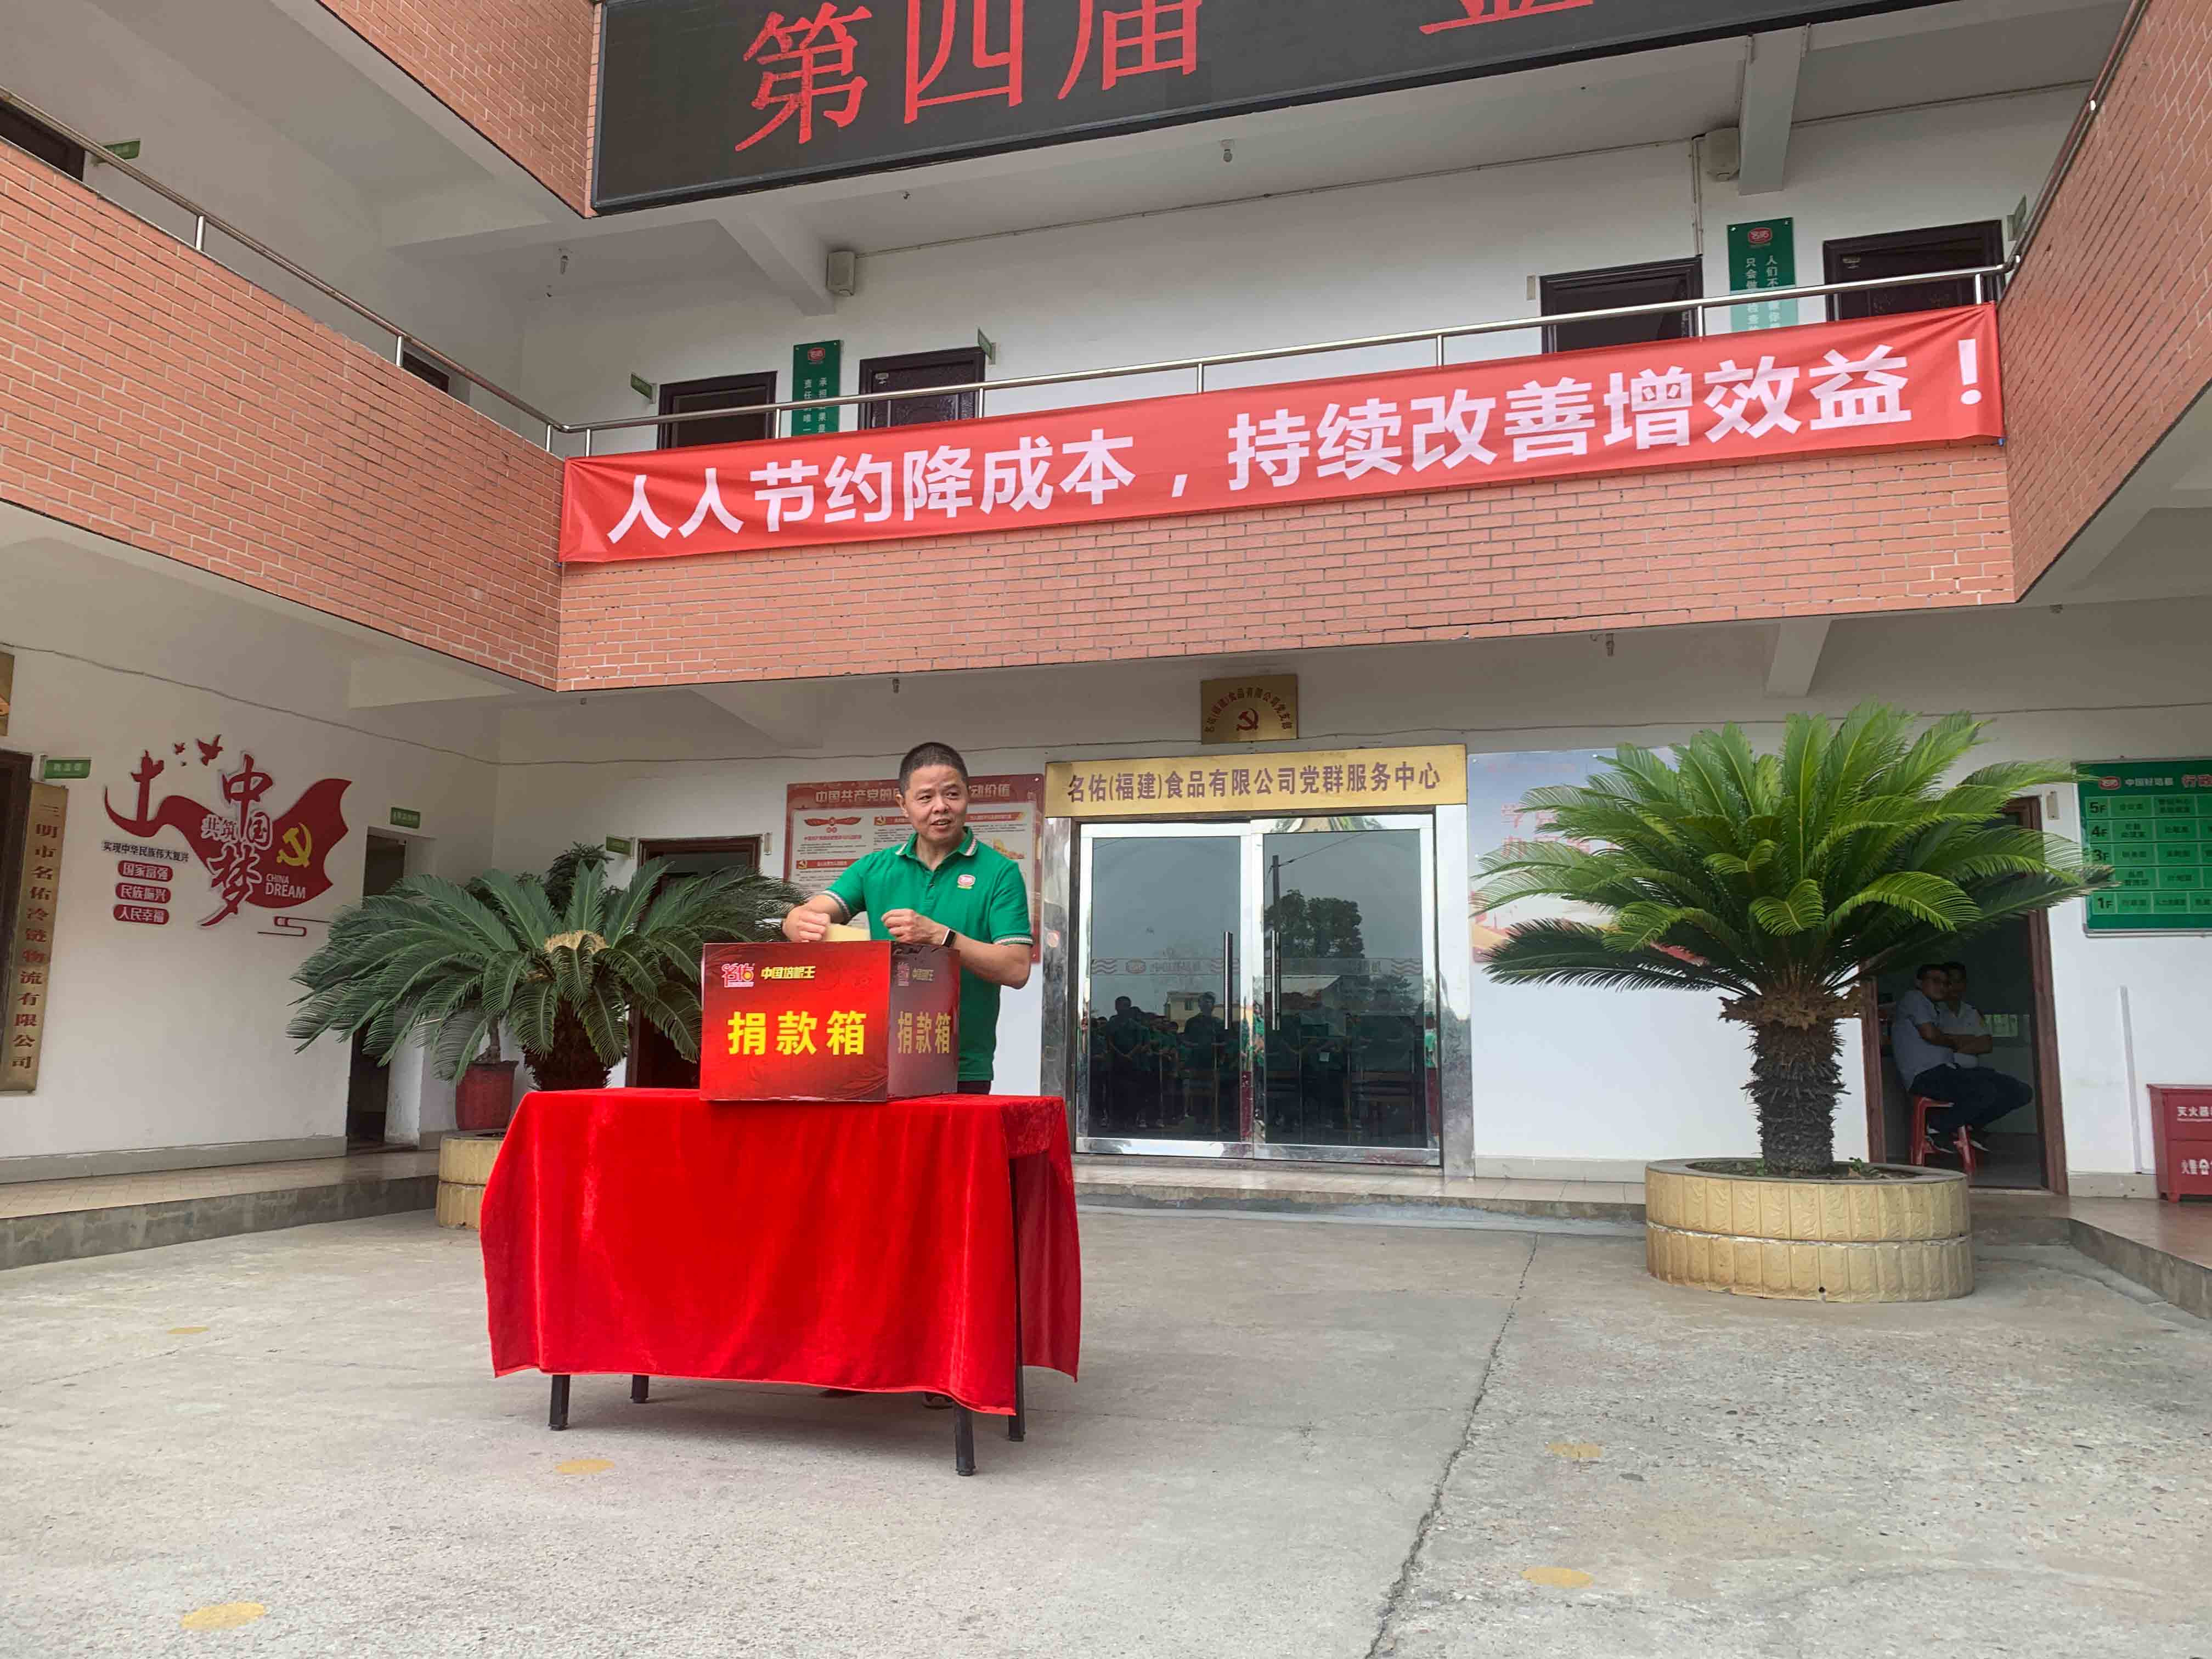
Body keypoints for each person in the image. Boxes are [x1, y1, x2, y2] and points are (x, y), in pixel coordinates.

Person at [782, 741, 1031, 1094]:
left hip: (961, 1064)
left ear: (968, 796)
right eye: (925, 797)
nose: (941, 807)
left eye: (952, 794)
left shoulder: (1000, 873)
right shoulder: (874, 869)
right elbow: (814, 912)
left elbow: (1017, 969)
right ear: (903, 805)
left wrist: (942, 937)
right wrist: (794, 920)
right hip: (877, 1055)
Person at [1890, 961, 2030, 1153]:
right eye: (1935, 981)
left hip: (1949, 1071)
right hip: (1924, 1076)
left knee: (2020, 1091)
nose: (1942, 987)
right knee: (1985, 1090)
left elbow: (1980, 1043)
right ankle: (1937, 1129)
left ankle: (1970, 1127)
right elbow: (1930, 1035)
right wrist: (1954, 1042)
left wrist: (1945, 1039)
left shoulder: (1934, 1008)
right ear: (1919, 983)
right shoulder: (1913, 998)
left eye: (1945, 983)